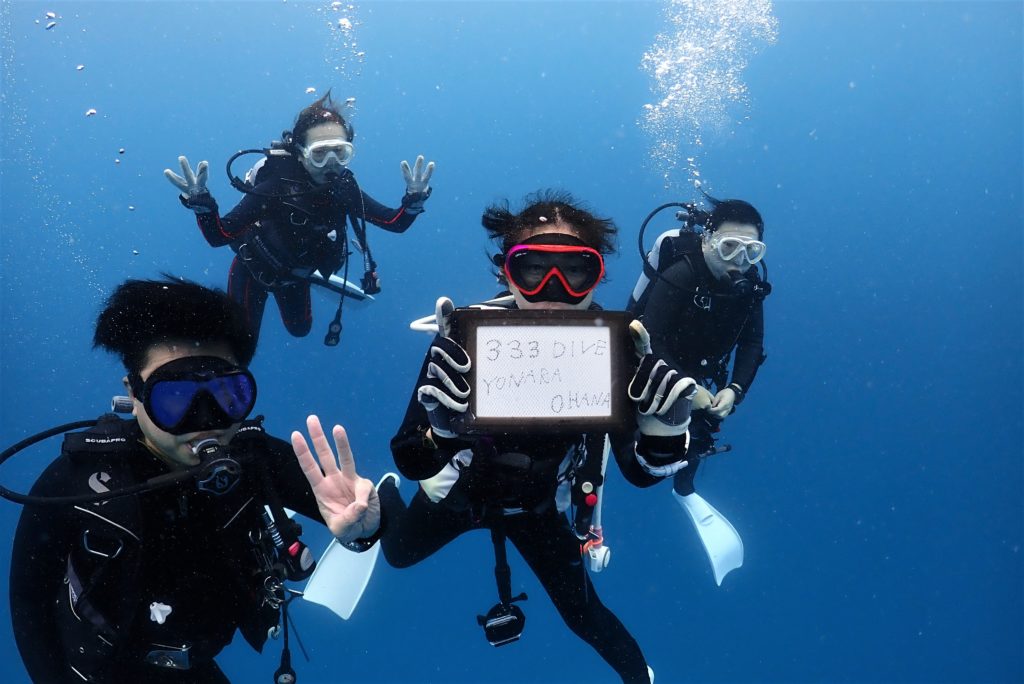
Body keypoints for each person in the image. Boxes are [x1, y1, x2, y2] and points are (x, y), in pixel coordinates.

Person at [298, 191, 695, 684]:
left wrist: (665, 433)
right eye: (533, 270)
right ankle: (385, 499)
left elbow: (638, 472)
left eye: (575, 272)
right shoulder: (463, 340)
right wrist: (441, 434)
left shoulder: (617, 351)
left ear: (597, 277)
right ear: (507, 275)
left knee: (584, 615)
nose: (553, 290)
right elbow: (411, 455)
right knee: (397, 554)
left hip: (537, 503)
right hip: (461, 490)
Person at [8, 277, 383, 683]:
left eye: (226, 394)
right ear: (133, 394)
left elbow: (374, 522)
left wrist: (367, 527)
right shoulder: (76, 482)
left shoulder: (255, 459)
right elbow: (29, 603)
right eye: (174, 398)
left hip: (197, 669)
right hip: (99, 671)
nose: (204, 420)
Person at [164, 92, 435, 345]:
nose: (331, 162)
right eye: (319, 153)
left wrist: (413, 201)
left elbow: (394, 223)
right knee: (241, 343)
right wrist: (203, 205)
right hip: (253, 271)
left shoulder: (345, 189)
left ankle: (313, 279)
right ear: (301, 153)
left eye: (340, 152)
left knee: (300, 330)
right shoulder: (276, 187)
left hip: (297, 276)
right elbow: (220, 235)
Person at [627, 196, 770, 585]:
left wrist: (734, 390)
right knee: (635, 444)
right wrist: (686, 387)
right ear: (708, 241)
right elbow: (652, 336)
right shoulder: (682, 274)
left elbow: (752, 344)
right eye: (729, 247)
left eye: (751, 251)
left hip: (699, 379)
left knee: (699, 436)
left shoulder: (749, 288)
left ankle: (685, 489)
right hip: (647, 365)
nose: (739, 260)